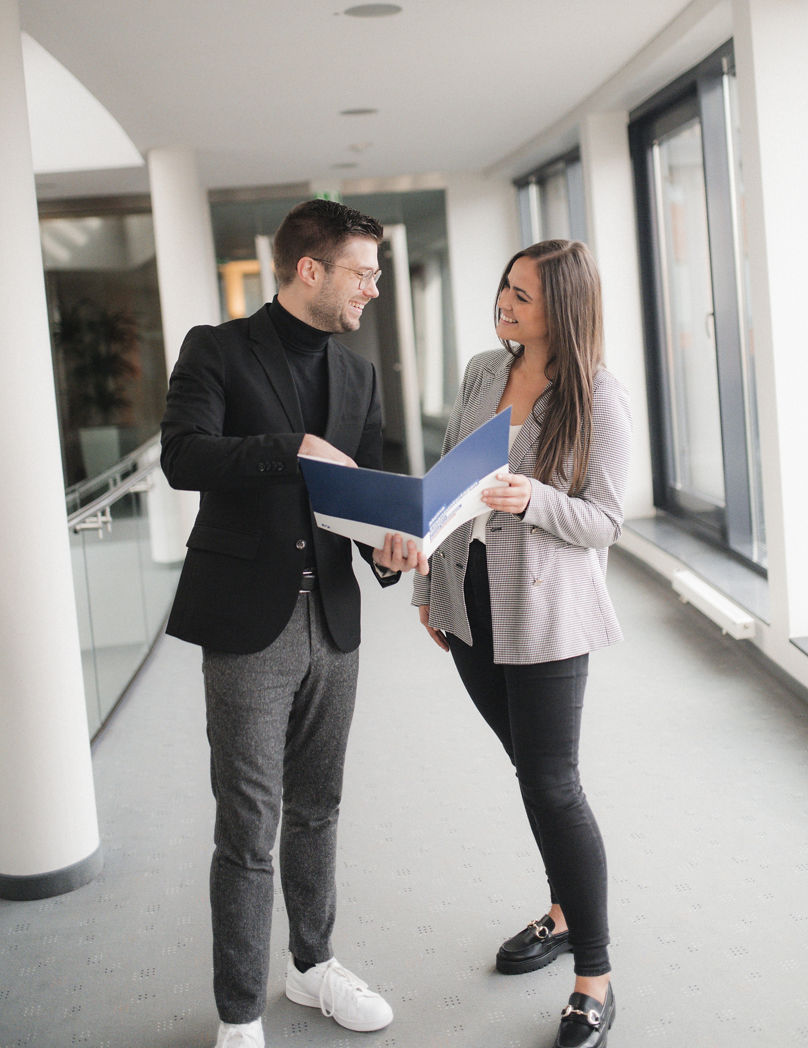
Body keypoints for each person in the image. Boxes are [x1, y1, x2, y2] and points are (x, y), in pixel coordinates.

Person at [161, 199, 428, 1048]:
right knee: (249, 825)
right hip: (249, 621)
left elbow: (372, 491)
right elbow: (183, 455)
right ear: (309, 270)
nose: (374, 290)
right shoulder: (217, 348)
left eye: (376, 275)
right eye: (362, 273)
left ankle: (312, 965)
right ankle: (239, 1014)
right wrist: (291, 448)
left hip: (335, 621)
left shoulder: (359, 376)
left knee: (319, 806)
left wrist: (394, 548)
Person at [412, 240, 630, 1048]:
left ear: (564, 309)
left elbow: (606, 522)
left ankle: (594, 975)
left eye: (524, 296)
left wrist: (532, 497)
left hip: (545, 617)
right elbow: (442, 483)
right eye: (504, 287)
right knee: (531, 773)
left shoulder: (598, 396)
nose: (505, 303)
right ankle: (567, 910)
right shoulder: (481, 370)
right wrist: (429, 589)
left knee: (551, 783)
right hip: (471, 604)